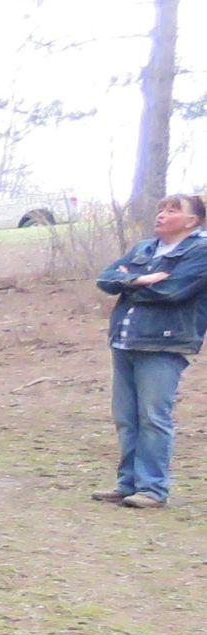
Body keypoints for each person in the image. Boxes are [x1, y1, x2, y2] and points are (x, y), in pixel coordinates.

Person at [95, 193, 207, 508]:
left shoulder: (201, 251)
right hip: (124, 339)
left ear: (192, 220)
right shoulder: (146, 248)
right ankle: (127, 484)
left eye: (173, 210)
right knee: (126, 417)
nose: (162, 214)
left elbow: (170, 291)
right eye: (161, 208)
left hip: (164, 343)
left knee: (153, 416)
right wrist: (141, 279)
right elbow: (106, 279)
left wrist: (127, 284)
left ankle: (153, 489)